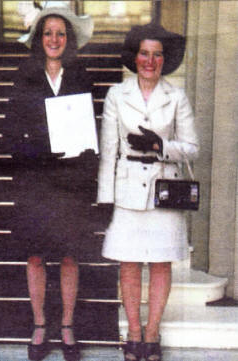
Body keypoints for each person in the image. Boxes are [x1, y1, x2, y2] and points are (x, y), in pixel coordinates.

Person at [97, 23, 199, 361]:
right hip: (126, 187)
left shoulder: (176, 96)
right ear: (134, 56)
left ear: (164, 59)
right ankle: (134, 332)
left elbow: (192, 148)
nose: (150, 61)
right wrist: (105, 197)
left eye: (157, 55)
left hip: (163, 189)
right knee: (128, 264)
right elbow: (108, 149)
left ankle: (152, 332)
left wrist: (161, 145)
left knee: (159, 263)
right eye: (144, 53)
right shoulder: (117, 94)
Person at [4, 7, 96, 361]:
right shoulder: (25, 75)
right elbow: (10, 130)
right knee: (36, 254)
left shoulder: (81, 75)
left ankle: (68, 325)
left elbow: (90, 126)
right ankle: (41, 324)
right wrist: (37, 153)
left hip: (71, 181)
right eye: (48, 33)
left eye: (60, 33)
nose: (54, 40)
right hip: (36, 180)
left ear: (67, 39)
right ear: (39, 39)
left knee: (70, 254)